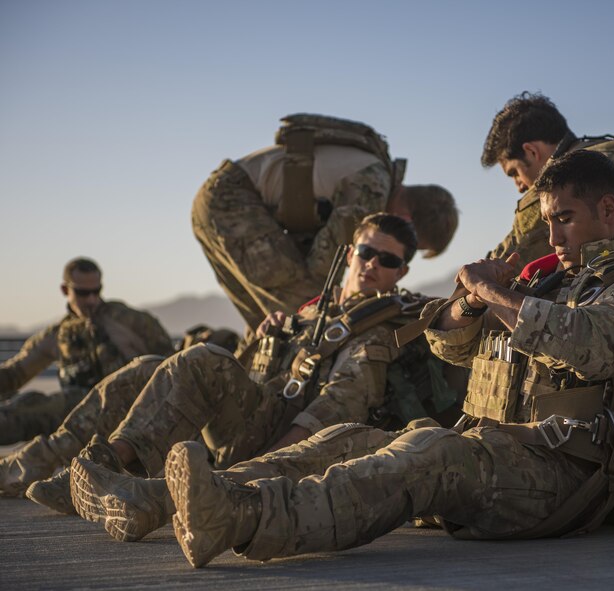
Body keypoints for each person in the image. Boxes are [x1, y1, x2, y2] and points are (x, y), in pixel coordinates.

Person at [138, 150, 614, 568]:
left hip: (564, 477)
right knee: (348, 439)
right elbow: (450, 345)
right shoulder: (553, 281)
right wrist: (471, 302)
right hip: (497, 451)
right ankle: (183, 498)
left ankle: (239, 519)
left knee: (431, 453)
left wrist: (497, 293)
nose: (552, 235)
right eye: (547, 220)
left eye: (564, 218)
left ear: (608, 209)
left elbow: (592, 347)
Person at [19, 215, 436, 524]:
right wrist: (264, 338)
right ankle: (86, 466)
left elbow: (340, 403)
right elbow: (254, 373)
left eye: (386, 259)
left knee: (204, 359)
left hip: (280, 443)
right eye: (366, 252)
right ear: (349, 254)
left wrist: (267, 464)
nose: (371, 264)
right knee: (147, 367)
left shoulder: (378, 328)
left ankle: (109, 470)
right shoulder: (312, 313)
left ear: (401, 272)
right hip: (250, 420)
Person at [192, 114, 459, 331]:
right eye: (411, 246)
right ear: (407, 221)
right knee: (309, 307)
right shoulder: (371, 190)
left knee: (267, 317)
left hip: (219, 197)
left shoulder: (378, 175)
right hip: (232, 200)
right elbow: (326, 266)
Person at [0, 258, 174, 447]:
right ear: (65, 290)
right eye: (82, 293)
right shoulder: (57, 335)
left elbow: (173, 365)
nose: (91, 300)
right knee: (26, 408)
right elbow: (14, 374)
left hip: (132, 413)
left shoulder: (131, 321)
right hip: (79, 416)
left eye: (96, 291)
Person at [482, 92, 573, 269]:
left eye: (514, 173)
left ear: (531, 151)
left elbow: (500, 268)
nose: (519, 186)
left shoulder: (555, 191)